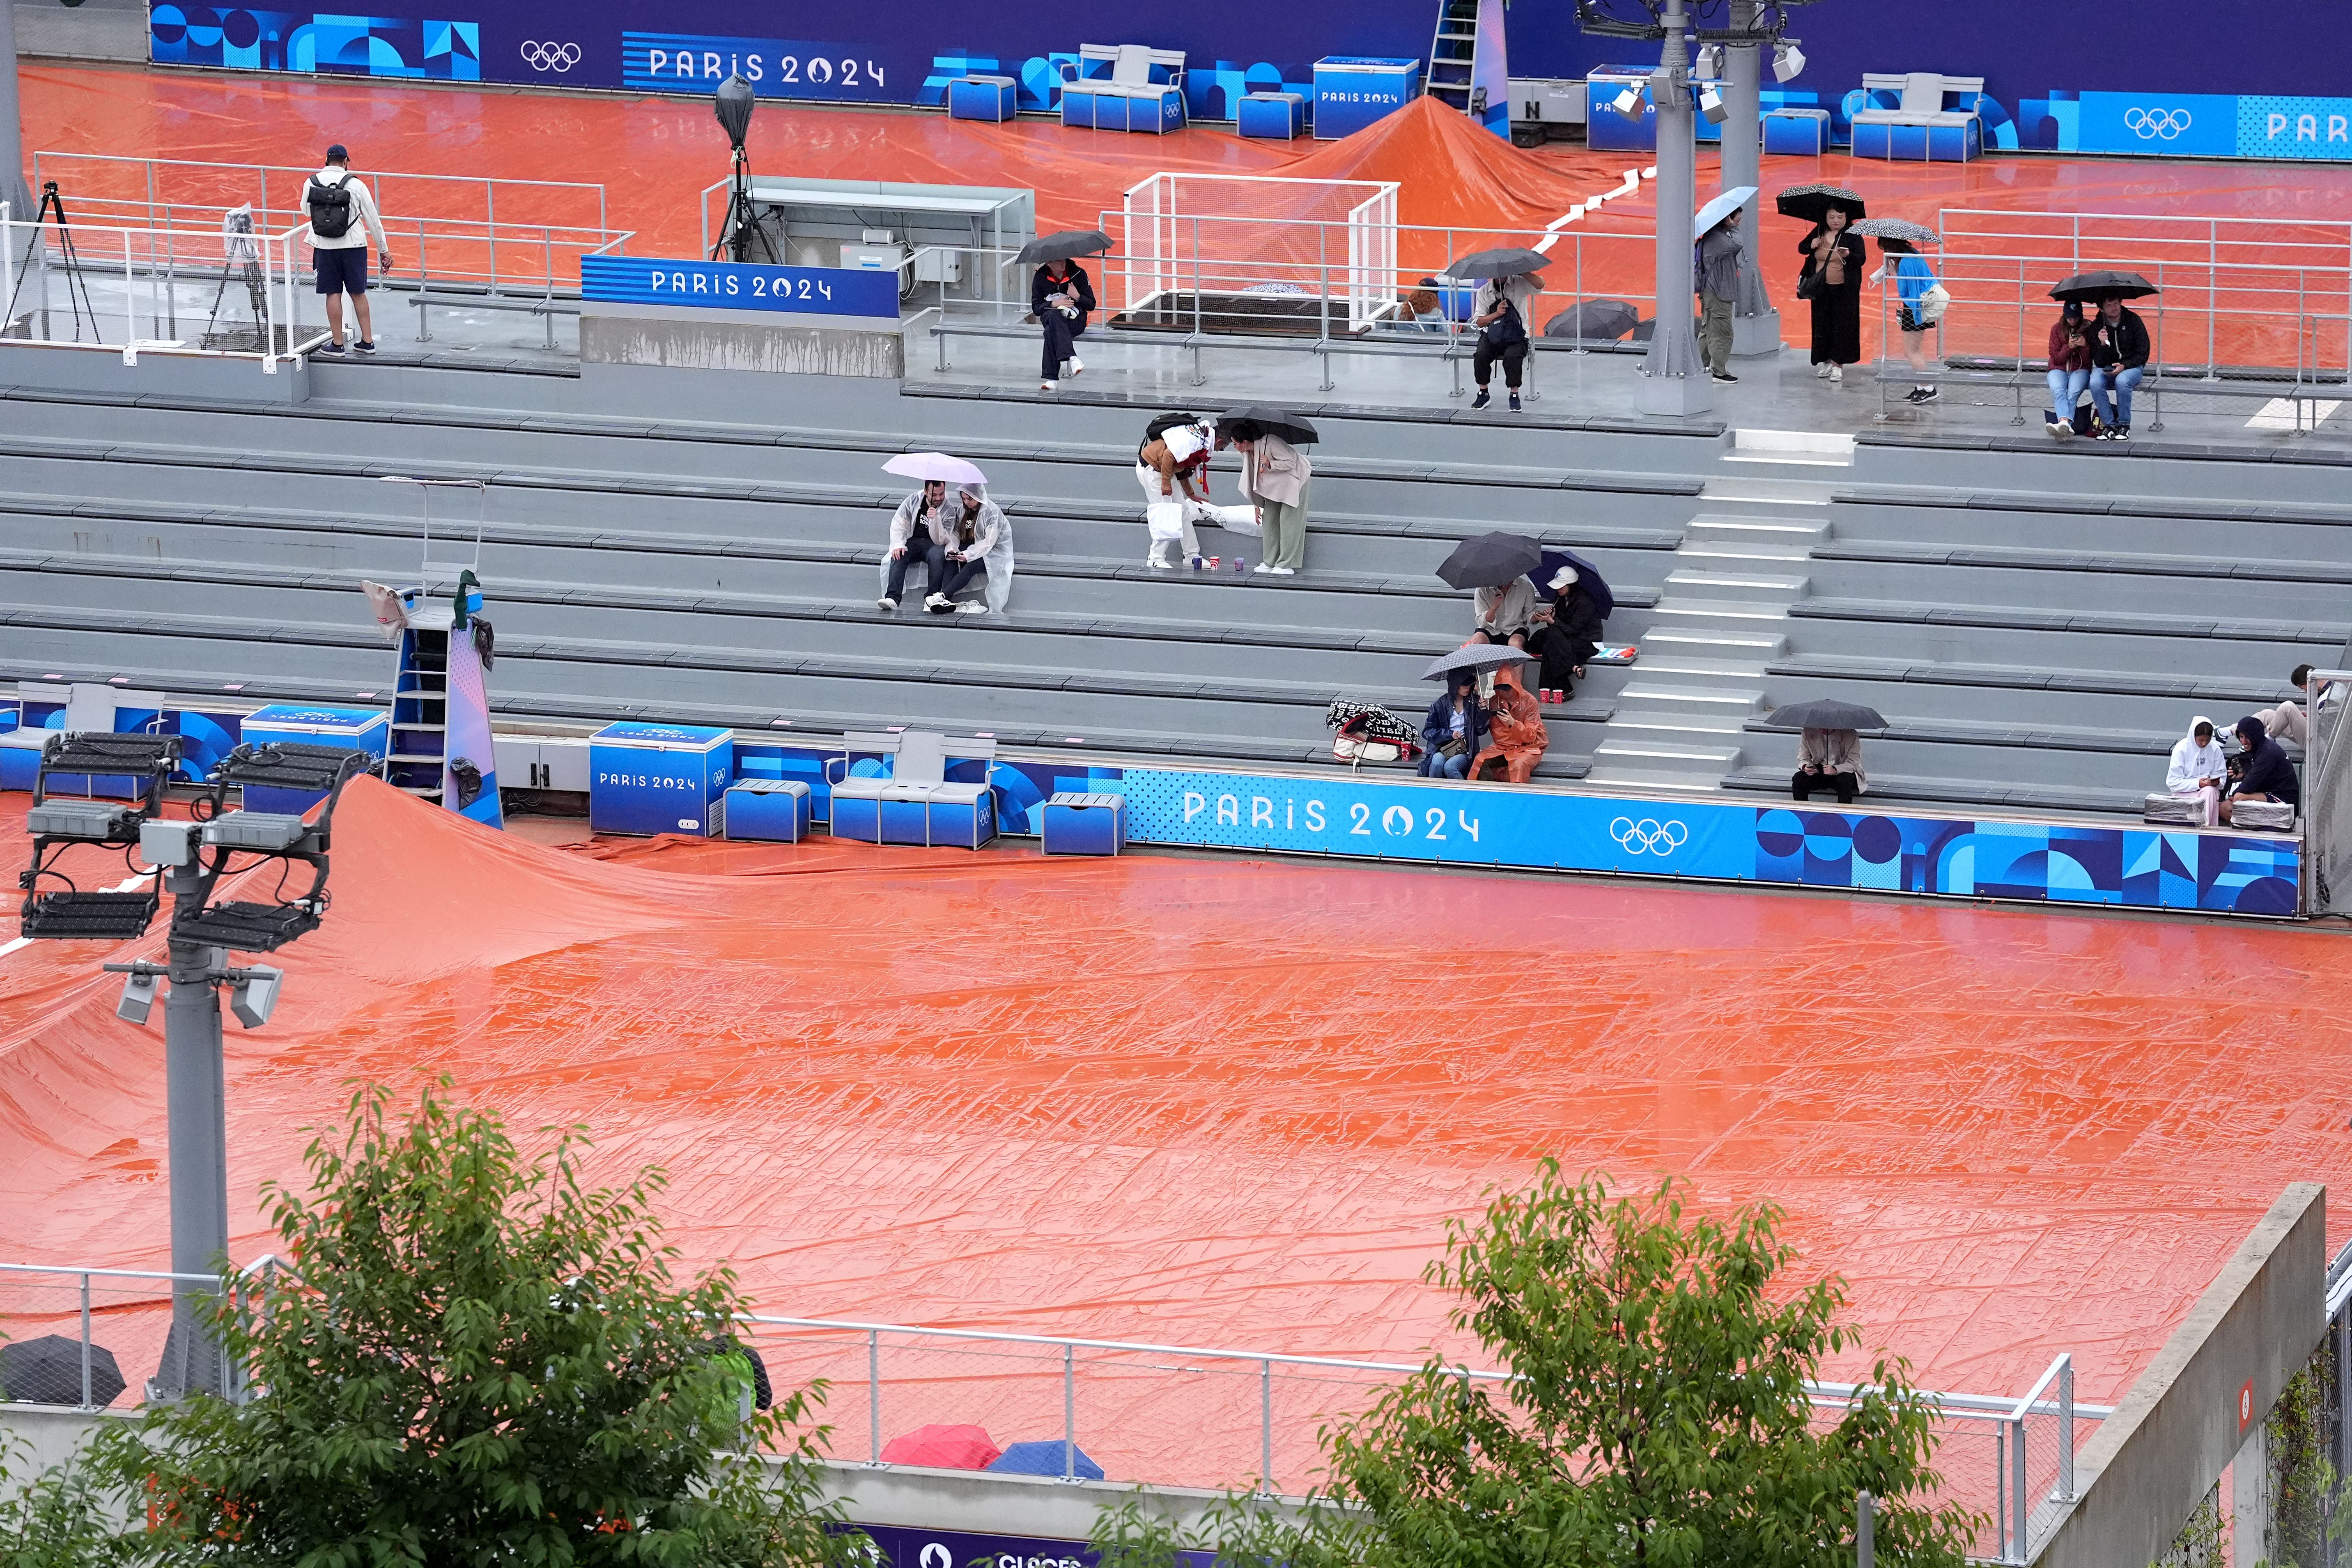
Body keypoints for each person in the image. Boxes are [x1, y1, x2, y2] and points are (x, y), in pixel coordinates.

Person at [305, 143, 393, 356]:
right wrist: (384, 250)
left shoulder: (311, 183)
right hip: (354, 247)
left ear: (326, 161)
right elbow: (373, 220)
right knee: (358, 293)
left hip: (325, 247)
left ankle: (337, 344)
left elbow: (306, 210)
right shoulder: (356, 185)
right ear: (346, 162)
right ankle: (368, 341)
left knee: (332, 293)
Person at [1135, 416, 1238, 570]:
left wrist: (1190, 494)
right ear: (1219, 442)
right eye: (1222, 448)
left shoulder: (1202, 439)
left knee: (1183, 511)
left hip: (1165, 471)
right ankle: (1155, 559)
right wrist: (1165, 483)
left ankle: (1192, 556)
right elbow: (1169, 456)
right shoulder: (1196, 441)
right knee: (1168, 513)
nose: (1220, 451)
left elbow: (1181, 466)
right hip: (1153, 469)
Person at [1224, 421, 1312, 575]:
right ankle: (1270, 562)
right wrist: (1257, 505)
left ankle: (1285, 564)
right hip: (1274, 486)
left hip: (1294, 481)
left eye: (1235, 444)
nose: (1234, 447)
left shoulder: (1271, 442)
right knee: (1269, 519)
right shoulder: (1246, 453)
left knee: (1288, 521)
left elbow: (1291, 462)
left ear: (1244, 442)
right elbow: (1252, 477)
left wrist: (1270, 463)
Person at [1798, 206, 1865, 383]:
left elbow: (1861, 259)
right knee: (1822, 325)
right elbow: (1802, 248)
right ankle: (1826, 360)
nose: (1836, 221)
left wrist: (1848, 255)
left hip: (1844, 290)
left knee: (1841, 326)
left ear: (1846, 218)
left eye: (1840, 217)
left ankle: (1838, 364)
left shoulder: (1853, 234)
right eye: (1832, 217)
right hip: (1821, 289)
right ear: (1825, 218)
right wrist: (1811, 245)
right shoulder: (1818, 231)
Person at [1527, 564, 1604, 700]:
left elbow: (1573, 630)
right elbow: (1561, 625)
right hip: (1566, 639)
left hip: (1586, 641)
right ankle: (1574, 668)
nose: (1558, 590)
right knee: (1540, 640)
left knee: (1549, 647)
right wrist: (1553, 616)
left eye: (1562, 586)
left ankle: (1565, 689)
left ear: (1572, 585)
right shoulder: (1562, 599)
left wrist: (1552, 621)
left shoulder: (1585, 601)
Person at [933, 484, 1010, 615]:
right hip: (969, 547)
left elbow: (988, 543)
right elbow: (956, 533)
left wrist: (969, 555)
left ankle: (943, 596)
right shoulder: (962, 510)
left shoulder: (992, 512)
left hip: (992, 553)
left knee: (971, 566)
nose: (967, 502)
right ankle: (946, 602)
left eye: (970, 499)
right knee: (951, 559)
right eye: (964, 499)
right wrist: (953, 549)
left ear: (978, 496)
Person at [1469, 270, 1540, 412]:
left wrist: (1523, 272)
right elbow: (1480, 322)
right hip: (1492, 334)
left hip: (1517, 334)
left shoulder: (1520, 284)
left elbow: (1540, 285)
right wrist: (1496, 314)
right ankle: (1483, 393)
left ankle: (1514, 394)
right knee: (1481, 355)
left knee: (1513, 357)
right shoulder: (1483, 292)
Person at [879, 479, 953, 611]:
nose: (938, 498)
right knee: (899, 554)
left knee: (937, 556)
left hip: (934, 544)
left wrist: (936, 519)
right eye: (934, 495)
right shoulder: (913, 500)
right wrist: (898, 544)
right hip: (914, 540)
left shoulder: (949, 509)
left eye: (941, 494)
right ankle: (893, 598)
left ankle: (932, 599)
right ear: (926, 492)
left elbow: (943, 539)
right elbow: (900, 522)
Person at [1469, 663, 1548, 784]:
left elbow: (1531, 735)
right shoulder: (1495, 700)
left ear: (1515, 686)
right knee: (1480, 760)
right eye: (1500, 688)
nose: (1503, 692)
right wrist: (1483, 710)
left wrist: (1513, 724)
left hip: (1530, 748)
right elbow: (1498, 735)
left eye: (1507, 688)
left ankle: (1516, 797)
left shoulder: (1530, 701)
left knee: (1519, 764)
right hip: (1503, 747)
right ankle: (1487, 793)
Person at [1881, 236, 1939, 404]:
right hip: (1919, 306)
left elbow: (1906, 290)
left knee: (1911, 352)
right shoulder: (1912, 254)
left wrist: (1894, 274)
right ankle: (1921, 386)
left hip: (1915, 309)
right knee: (1916, 350)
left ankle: (1928, 388)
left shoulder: (1906, 262)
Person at [2086, 294, 2150, 441]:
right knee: (2095, 382)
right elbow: (2098, 360)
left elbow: (2144, 352)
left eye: (2116, 304)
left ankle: (2124, 424)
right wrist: (2102, 344)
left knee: (2122, 382)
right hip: (2107, 367)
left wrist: (2125, 366)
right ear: (2102, 309)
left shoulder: (2134, 320)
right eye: (2109, 305)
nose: (2114, 308)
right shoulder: (2097, 327)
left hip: (2132, 367)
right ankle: (2109, 425)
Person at [2223, 713, 2300, 824]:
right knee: (2226, 806)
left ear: (2255, 736)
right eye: (2241, 737)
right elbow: (2261, 778)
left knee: (2238, 798)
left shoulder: (2268, 752)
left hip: (2285, 798)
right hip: (2271, 793)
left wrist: (2235, 794)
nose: (2244, 742)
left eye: (2247, 737)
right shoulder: (2261, 748)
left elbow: (2251, 783)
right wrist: (2243, 775)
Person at [1696, 207, 1743, 386]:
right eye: (1737, 219)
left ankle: (1702, 366)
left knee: (1708, 329)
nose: (1739, 223)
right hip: (1719, 293)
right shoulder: (1718, 239)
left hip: (1710, 291)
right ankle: (1719, 372)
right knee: (1723, 332)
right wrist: (1733, 227)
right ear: (1727, 219)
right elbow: (1738, 243)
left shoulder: (1711, 237)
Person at [1032, 257, 1095, 392]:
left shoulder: (1078, 274)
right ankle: (1072, 358)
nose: (1063, 263)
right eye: (1058, 261)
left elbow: (1091, 304)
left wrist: (1077, 296)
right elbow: (1036, 308)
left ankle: (1052, 379)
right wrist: (1054, 304)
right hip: (1051, 317)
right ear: (1049, 263)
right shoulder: (1041, 276)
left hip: (1075, 320)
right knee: (1054, 316)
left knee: (1050, 332)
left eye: (1064, 260)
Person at [1420, 673, 1486, 780]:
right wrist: (1450, 734)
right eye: (1465, 685)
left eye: (1471, 685)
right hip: (1443, 748)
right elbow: (1428, 731)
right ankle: (1435, 793)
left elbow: (1481, 730)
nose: (1468, 688)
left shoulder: (1475, 702)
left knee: (1450, 767)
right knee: (1436, 764)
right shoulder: (1439, 704)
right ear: (1455, 685)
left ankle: (1464, 794)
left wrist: (1483, 711)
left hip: (1465, 749)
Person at [2165, 715, 2227, 827]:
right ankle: (2203, 827)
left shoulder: (2215, 749)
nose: (2204, 744)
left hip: (2207, 793)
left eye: (2207, 741)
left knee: (2210, 791)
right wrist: (2198, 783)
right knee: (2207, 795)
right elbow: (2173, 783)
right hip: (2184, 794)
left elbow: (2221, 776)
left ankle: (2206, 827)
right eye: (2201, 740)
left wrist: (2217, 782)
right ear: (2193, 736)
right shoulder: (2181, 749)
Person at [2045, 300, 2092, 439]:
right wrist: (2069, 348)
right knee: (2059, 390)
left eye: (2076, 317)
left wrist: (2084, 346)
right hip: (2058, 368)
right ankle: (2065, 423)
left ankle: (2063, 423)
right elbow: (2056, 358)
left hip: (2080, 369)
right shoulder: (2056, 329)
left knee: (2073, 393)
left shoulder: (2089, 329)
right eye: (2070, 317)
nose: (2072, 320)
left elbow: (2089, 361)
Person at [2260, 664, 2334, 748]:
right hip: (2314, 734)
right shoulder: (2334, 686)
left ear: (2310, 681)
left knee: (2288, 707)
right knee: (2266, 715)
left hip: (2321, 748)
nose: (2305, 692)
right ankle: (2248, 740)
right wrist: (2310, 717)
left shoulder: (2329, 699)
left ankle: (2269, 738)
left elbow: (2327, 731)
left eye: (2303, 688)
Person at [1792, 727, 1865, 804]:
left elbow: (1854, 762)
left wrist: (1835, 770)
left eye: (1827, 728)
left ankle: (1843, 813)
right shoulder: (1808, 732)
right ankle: (1802, 810)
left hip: (1843, 769)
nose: (1823, 730)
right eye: (1820, 727)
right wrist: (1806, 767)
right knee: (1798, 778)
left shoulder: (1850, 734)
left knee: (1845, 782)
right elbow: (1803, 757)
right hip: (1820, 768)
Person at [1470, 573, 1537, 649]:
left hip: (1515, 628)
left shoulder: (1525, 586)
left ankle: (1515, 661)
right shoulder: (1482, 590)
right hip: (1490, 629)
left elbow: (1530, 614)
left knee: (1516, 643)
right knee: (1477, 641)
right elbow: (1482, 623)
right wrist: (1494, 607)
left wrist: (1537, 617)